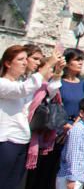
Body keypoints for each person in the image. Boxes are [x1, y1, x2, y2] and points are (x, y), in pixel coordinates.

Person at [1, 44, 62, 187]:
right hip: (5, 139)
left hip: (22, 139)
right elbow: (22, 90)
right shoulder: (3, 83)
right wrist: (48, 64)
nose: (25, 62)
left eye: (25, 59)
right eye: (20, 59)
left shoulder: (22, 82)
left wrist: (57, 72)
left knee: (13, 184)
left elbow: (47, 92)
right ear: (8, 63)